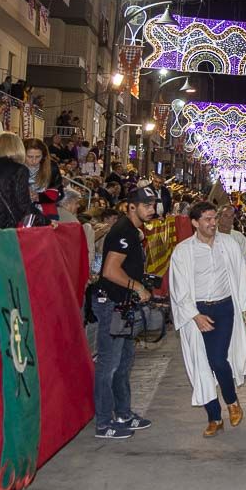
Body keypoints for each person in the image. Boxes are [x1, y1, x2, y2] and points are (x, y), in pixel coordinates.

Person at [169, 202, 246, 437]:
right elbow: (178, 289)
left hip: (225, 308)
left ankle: (232, 401)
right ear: (195, 222)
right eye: (207, 219)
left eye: (214, 218)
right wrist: (195, 316)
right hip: (197, 312)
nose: (213, 223)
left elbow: (240, 276)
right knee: (201, 365)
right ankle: (214, 417)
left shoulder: (229, 244)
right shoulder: (183, 251)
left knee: (218, 360)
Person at [93, 186, 157, 439]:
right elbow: (109, 270)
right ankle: (103, 422)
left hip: (124, 307)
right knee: (108, 365)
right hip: (111, 304)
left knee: (124, 363)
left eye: (153, 205)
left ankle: (122, 413)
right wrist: (137, 286)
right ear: (131, 206)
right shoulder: (123, 231)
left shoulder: (134, 231)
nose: (152, 210)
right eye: (147, 205)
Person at [25, 138, 62, 221]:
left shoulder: (52, 167)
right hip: (22, 212)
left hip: (46, 212)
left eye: (38, 157)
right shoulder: (16, 168)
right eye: (29, 157)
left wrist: (40, 197)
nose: (34, 160)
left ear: (44, 156)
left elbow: (59, 192)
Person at [217, 204, 246, 269]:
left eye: (231, 216)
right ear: (218, 217)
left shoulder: (239, 237)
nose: (229, 219)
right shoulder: (210, 236)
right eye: (225, 216)